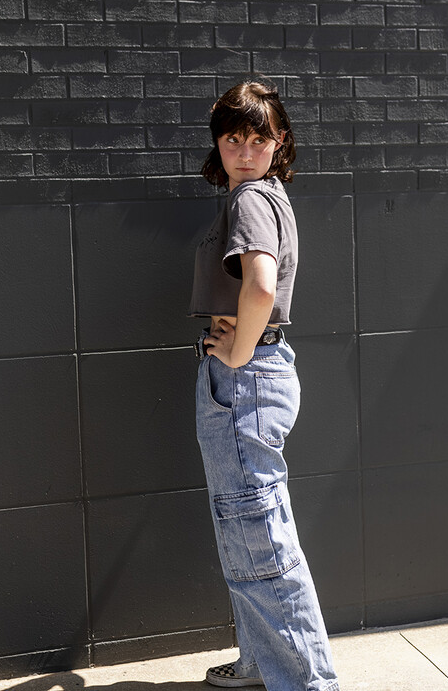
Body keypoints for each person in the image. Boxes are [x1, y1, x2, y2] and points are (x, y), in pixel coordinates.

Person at [188, 81, 339, 691]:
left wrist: (239, 351)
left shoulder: (251, 198)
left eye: (259, 138)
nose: (246, 151)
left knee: (259, 533)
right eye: (233, 139)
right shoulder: (267, 195)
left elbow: (261, 286)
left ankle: (310, 684)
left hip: (247, 377)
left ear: (279, 143)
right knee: (245, 526)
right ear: (218, 144)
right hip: (256, 375)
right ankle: (258, 664)